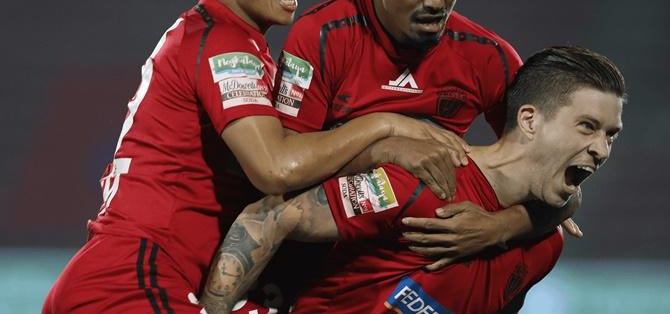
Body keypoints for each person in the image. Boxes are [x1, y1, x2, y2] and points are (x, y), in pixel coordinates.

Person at [42, 0, 467, 313]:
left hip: (151, 281)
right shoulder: (222, 42)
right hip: (132, 284)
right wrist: (387, 125)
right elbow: (276, 168)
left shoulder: (229, 45)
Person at [224, 0, 582, 312]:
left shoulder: (489, 59)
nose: (437, 0)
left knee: (540, 242)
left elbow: (559, 184)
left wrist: (500, 227)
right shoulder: (323, 36)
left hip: (417, 256)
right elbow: (282, 173)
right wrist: (385, 147)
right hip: (318, 248)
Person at [201, 46, 626, 314]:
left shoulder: (545, 245)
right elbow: (268, 219)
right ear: (530, 120)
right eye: (587, 127)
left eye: (611, 135)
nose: (602, 150)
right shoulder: (426, 179)